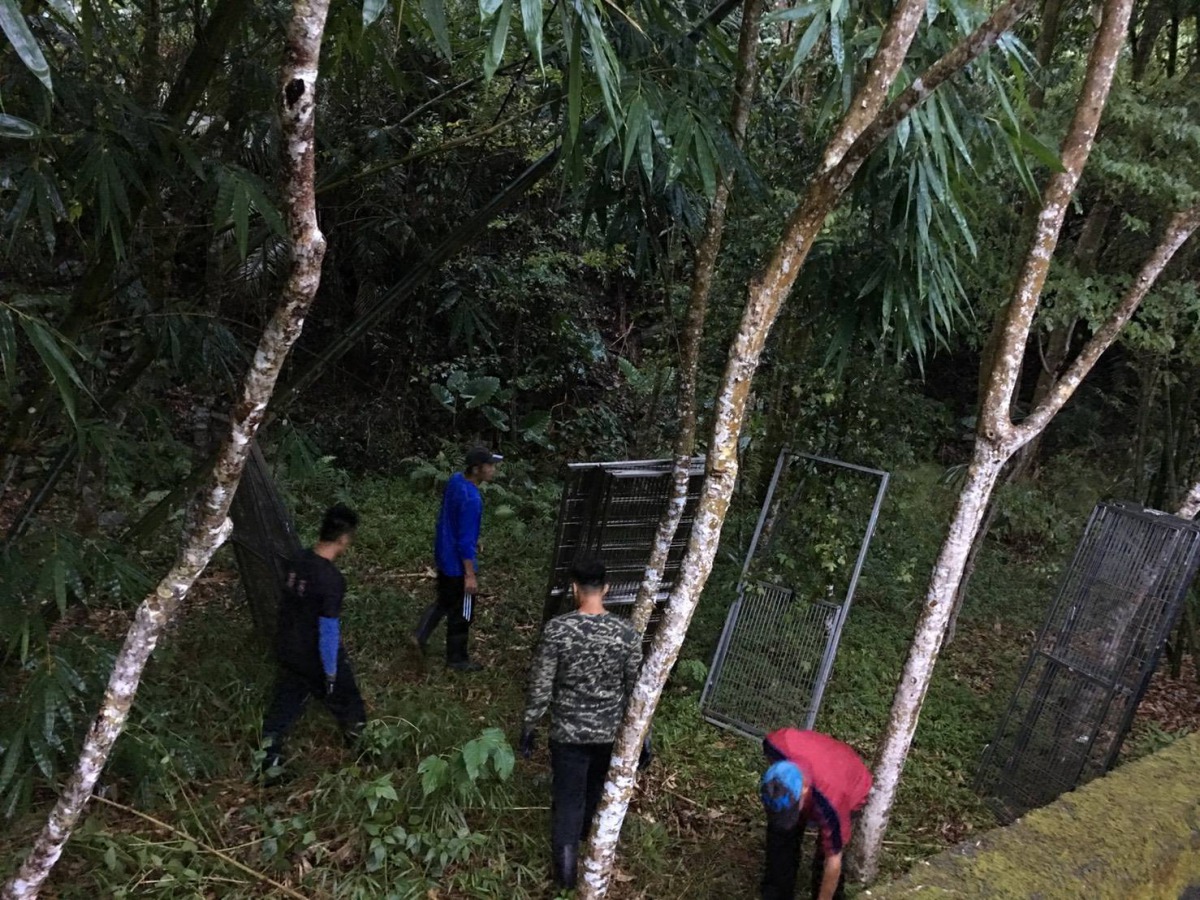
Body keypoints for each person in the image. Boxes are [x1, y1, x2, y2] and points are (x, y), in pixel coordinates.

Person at [519, 558, 642, 890]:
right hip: (609, 734)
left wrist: (530, 725)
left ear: (574, 588)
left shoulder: (558, 630)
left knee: (568, 802)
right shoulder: (627, 634)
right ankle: (589, 857)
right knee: (593, 796)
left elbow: (541, 685)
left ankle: (565, 883)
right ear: (606, 589)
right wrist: (644, 738)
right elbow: (636, 692)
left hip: (568, 735)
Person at [259, 504, 366, 775]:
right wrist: (330, 672)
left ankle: (266, 762)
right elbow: (328, 630)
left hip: (288, 647)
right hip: (314, 655)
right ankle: (365, 751)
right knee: (348, 699)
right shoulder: (331, 579)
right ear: (344, 538)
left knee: (285, 704)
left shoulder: (298, 560)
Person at [410, 446, 502, 671]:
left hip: (444, 554)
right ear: (476, 469)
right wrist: (469, 574)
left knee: (444, 599)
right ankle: (457, 659)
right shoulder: (472, 499)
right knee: (463, 612)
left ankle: (419, 635)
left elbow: (455, 521)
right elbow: (464, 542)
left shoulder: (455, 481)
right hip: (458, 564)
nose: (493, 470)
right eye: (489, 466)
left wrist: (473, 538)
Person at [759, 727, 873, 900]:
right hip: (814, 767)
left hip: (850, 784)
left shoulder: (832, 802)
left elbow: (833, 860)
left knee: (825, 853)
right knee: (780, 837)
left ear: (805, 790)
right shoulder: (776, 744)